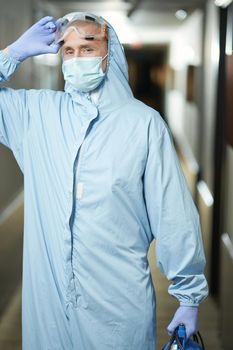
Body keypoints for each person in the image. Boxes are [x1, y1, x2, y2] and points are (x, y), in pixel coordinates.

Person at [0, 12, 208, 350]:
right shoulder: (36, 115)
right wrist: (13, 54)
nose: (76, 58)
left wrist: (188, 296)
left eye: (87, 47)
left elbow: (174, 215)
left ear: (110, 52)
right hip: (49, 311)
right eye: (67, 51)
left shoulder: (143, 125)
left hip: (117, 309)